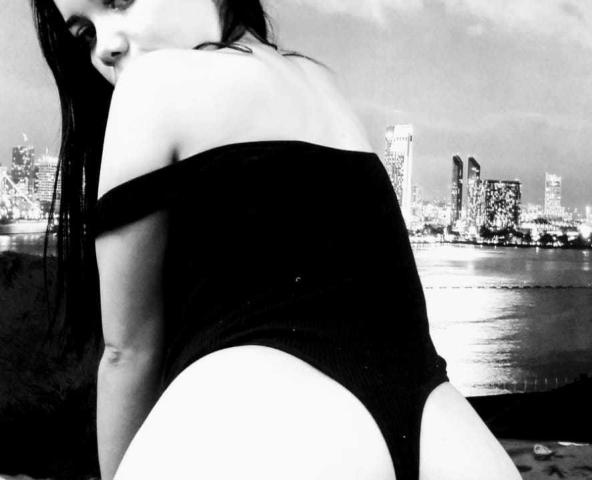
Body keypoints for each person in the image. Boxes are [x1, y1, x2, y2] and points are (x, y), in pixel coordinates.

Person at [31, 0, 522, 479]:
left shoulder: (152, 84)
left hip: (275, 418)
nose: (105, 47)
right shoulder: (320, 82)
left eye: (120, 1)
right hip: (443, 429)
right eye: (85, 35)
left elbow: (127, 355)